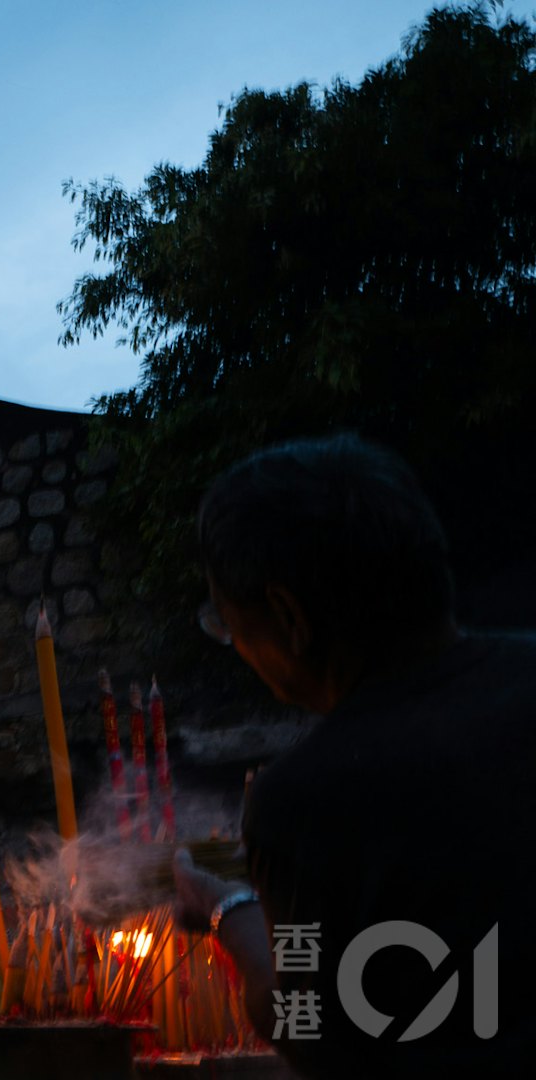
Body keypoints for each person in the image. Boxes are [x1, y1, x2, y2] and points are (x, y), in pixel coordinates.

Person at [171, 434, 533, 1076]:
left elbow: (305, 1022)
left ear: (287, 616)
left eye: (228, 626)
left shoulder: (314, 798)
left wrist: (225, 907)